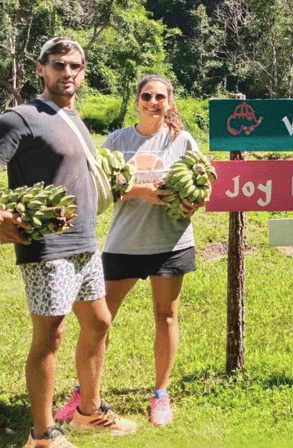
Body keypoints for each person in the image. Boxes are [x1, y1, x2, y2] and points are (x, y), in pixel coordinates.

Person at [0, 37, 138, 448]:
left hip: (84, 244)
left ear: (83, 72)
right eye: (58, 65)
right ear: (41, 68)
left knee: (98, 322)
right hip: (47, 246)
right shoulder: (20, 117)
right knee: (51, 335)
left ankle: (88, 412)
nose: (67, 73)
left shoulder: (72, 117)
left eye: (75, 66)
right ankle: (41, 434)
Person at [54, 75, 207, 427]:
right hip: (124, 244)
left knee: (166, 317)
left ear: (170, 103)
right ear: (137, 100)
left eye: (160, 97)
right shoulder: (118, 140)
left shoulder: (182, 140)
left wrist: (191, 203)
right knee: (98, 322)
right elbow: (98, 188)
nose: (153, 102)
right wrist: (140, 191)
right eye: (146, 96)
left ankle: (160, 394)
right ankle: (84, 392)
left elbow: (202, 186)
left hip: (171, 243)